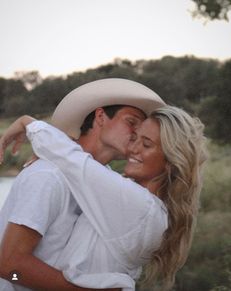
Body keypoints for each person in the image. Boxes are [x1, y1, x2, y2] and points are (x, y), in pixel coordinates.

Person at [0, 105, 207, 291]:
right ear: (100, 117)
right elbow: (9, 267)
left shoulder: (139, 205)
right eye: (134, 132)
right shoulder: (51, 176)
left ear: (170, 163)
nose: (134, 146)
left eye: (146, 144)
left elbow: (9, 268)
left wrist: (28, 123)